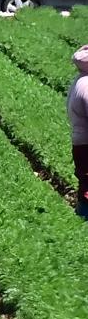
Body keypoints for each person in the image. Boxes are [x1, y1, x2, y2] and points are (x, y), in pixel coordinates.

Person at [68, 46, 88, 219]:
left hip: (80, 141)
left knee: (85, 181)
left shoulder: (79, 79)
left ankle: (82, 216)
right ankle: (84, 217)